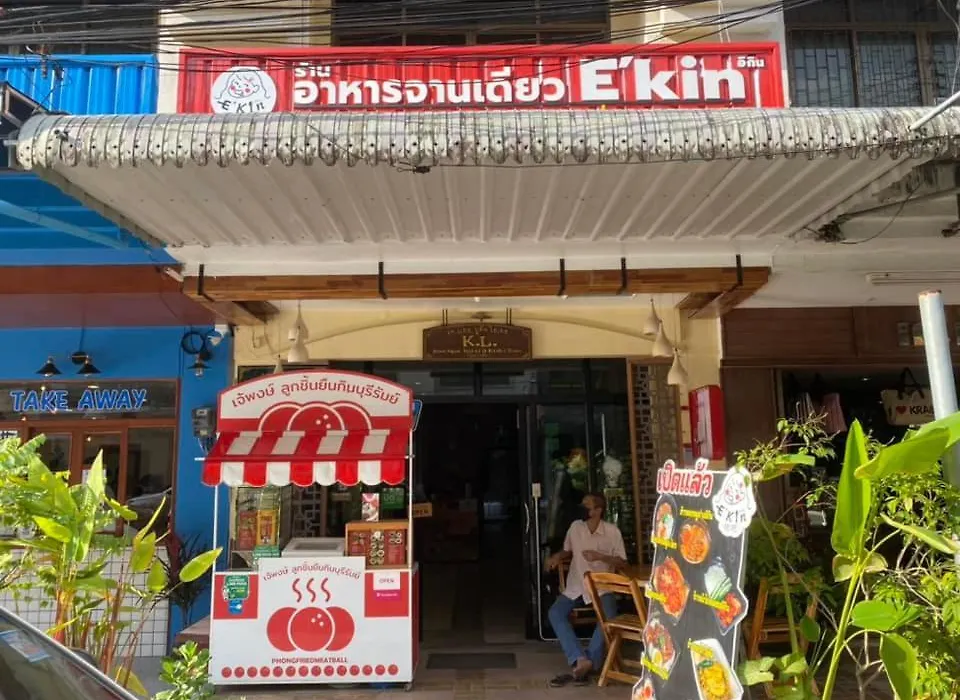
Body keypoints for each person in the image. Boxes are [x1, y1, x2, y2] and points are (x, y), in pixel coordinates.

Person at [544, 492, 627, 687]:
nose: (581, 509)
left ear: (598, 510)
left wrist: (601, 556)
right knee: (555, 613)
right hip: (576, 585)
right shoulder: (575, 527)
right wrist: (556, 557)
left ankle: (588, 660)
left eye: (586, 506)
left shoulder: (612, 532)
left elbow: (622, 562)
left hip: (601, 587)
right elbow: (567, 550)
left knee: (608, 617)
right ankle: (580, 658)